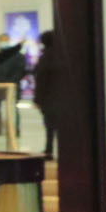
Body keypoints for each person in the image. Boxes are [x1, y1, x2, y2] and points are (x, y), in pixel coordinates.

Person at [32, 29, 65, 157]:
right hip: (63, 98)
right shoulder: (64, 56)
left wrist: (37, 99)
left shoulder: (45, 57)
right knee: (63, 126)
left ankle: (49, 149)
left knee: (50, 126)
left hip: (49, 98)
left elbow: (41, 80)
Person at [0, 33, 26, 140]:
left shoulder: (18, 57)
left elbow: (20, 71)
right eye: (1, 40)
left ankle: (14, 130)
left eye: (5, 40)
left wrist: (11, 82)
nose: (3, 42)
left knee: (13, 109)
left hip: (12, 86)